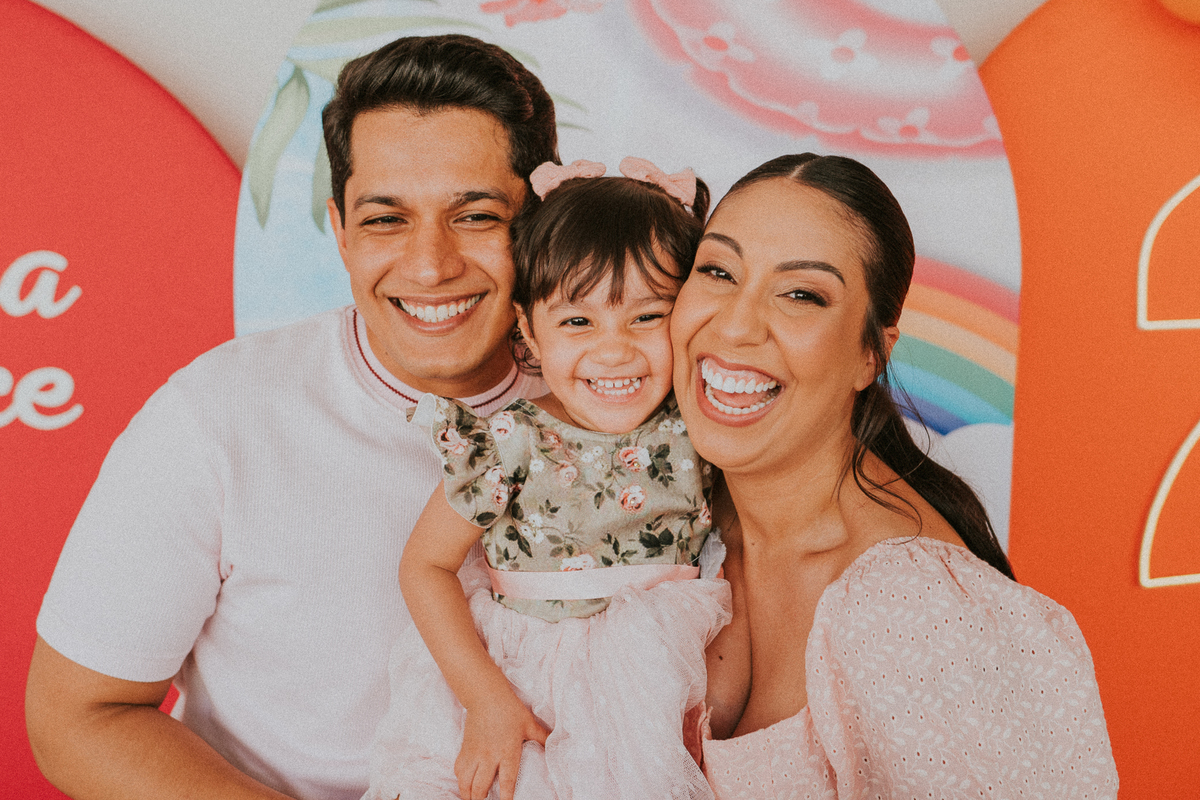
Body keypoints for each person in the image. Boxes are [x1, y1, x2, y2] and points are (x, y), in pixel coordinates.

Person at [26, 35, 557, 800]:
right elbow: (75, 716)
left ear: (540, 219)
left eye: (475, 215)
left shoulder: (624, 401)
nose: (430, 264)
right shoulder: (214, 417)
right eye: (386, 220)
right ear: (340, 231)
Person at [670, 154, 1119, 798]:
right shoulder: (676, 513)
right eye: (717, 271)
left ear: (870, 354)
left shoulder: (911, 609)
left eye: (801, 293)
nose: (736, 325)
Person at [364, 158, 730, 800]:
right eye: (578, 322)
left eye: (648, 317)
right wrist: (486, 701)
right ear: (528, 328)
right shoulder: (511, 439)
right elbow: (424, 568)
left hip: (658, 676)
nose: (614, 350)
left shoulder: (700, 426)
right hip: (531, 680)